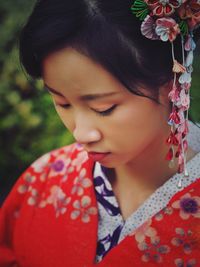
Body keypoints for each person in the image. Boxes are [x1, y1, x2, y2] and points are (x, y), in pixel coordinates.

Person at [0, 0, 200, 266]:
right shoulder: (45, 178)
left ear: (171, 81)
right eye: (63, 103)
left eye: (103, 108)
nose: (81, 134)